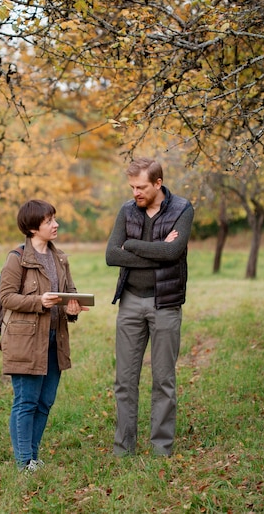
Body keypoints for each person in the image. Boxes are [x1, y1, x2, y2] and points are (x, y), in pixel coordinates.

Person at [105, 157, 194, 457]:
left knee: (164, 379)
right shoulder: (127, 210)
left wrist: (132, 245)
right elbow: (111, 255)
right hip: (130, 301)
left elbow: (173, 251)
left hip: (165, 302)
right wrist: (156, 252)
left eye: (141, 187)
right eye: (132, 187)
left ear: (158, 183)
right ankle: (123, 449)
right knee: (125, 380)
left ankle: (161, 449)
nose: (135, 193)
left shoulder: (183, 209)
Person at [0, 199, 88, 473]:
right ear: (33, 227)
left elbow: (68, 292)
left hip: (53, 340)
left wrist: (73, 308)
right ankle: (24, 461)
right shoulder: (17, 259)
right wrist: (40, 301)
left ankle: (32, 458)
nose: (56, 224)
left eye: (54, 219)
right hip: (25, 341)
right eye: (49, 220)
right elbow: (6, 297)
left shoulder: (60, 258)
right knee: (26, 401)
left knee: (45, 401)